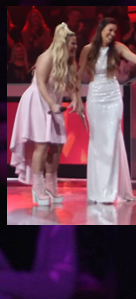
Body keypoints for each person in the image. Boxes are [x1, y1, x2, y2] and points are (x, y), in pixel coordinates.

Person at [77, 17, 136, 204]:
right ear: (101, 29)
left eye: (114, 31)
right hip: (95, 97)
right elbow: (78, 76)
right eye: (109, 30)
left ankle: (110, 191)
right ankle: (98, 189)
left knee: (112, 139)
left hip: (113, 97)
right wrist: (77, 99)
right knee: (97, 142)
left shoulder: (118, 47)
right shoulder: (88, 49)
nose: (112, 34)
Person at [9, 22, 83, 206]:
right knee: (41, 144)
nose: (75, 47)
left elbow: (72, 84)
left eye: (76, 43)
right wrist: (51, 104)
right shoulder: (47, 57)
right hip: (38, 100)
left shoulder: (69, 61)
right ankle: (38, 187)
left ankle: (51, 184)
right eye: (73, 43)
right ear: (62, 43)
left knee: (57, 144)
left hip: (53, 101)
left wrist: (75, 99)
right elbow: (41, 83)